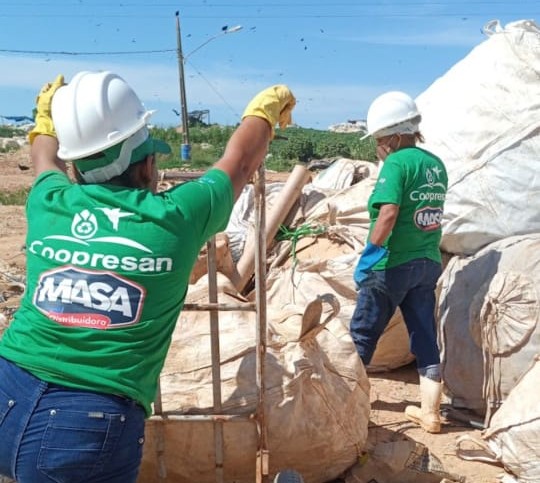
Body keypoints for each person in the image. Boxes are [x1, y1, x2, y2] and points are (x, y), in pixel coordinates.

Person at [0, 70, 295, 482]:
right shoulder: (177, 215)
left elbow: (44, 157)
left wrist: (46, 120)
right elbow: (242, 161)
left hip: (8, 384)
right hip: (86, 424)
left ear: (76, 163)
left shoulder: (48, 200)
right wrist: (261, 113)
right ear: (146, 163)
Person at [349, 91, 448, 433]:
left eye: (378, 139)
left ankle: (348, 408)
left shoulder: (396, 163)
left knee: (363, 334)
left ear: (392, 135)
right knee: (424, 334)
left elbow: (388, 213)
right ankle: (431, 413)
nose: (377, 146)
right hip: (427, 262)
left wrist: (371, 254)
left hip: (392, 264)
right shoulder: (435, 164)